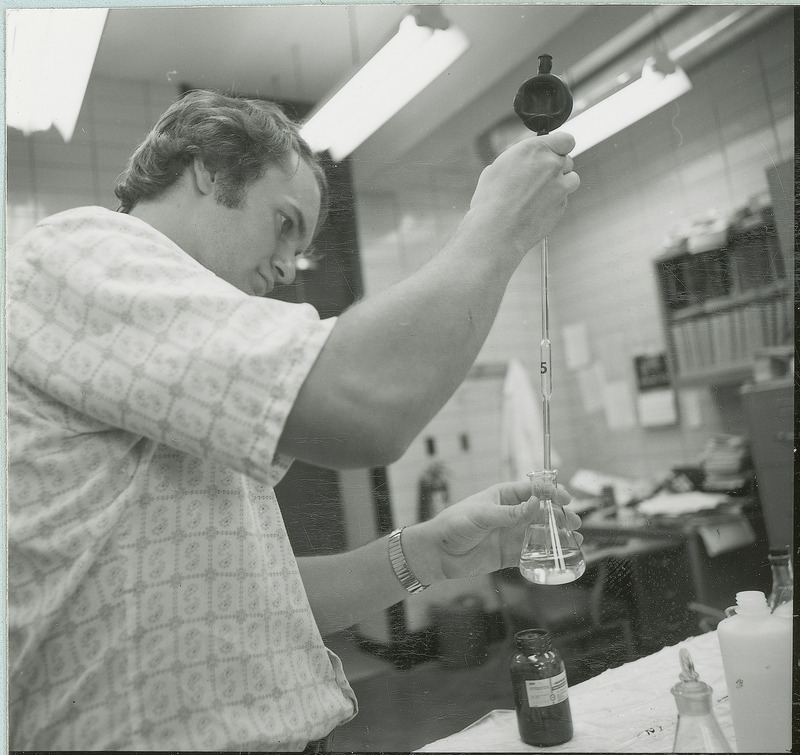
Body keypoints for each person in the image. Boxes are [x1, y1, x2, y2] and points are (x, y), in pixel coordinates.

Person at [7, 90, 581, 751]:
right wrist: (498, 225)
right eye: (283, 224)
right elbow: (370, 403)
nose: (285, 269)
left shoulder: (181, 368)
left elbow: (251, 599)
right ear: (206, 169)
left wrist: (427, 550)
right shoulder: (81, 254)